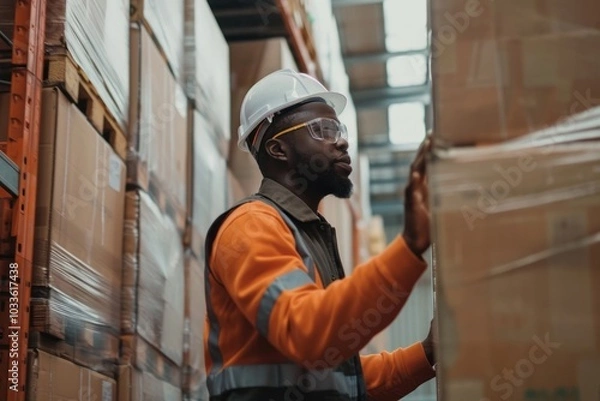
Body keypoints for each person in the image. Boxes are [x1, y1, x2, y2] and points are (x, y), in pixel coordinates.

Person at [203, 69, 435, 401]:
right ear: (278, 149)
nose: (341, 141)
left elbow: (343, 383)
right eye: (323, 130)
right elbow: (307, 332)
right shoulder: (251, 226)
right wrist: (409, 246)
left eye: (338, 129)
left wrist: (426, 354)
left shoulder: (306, 234)